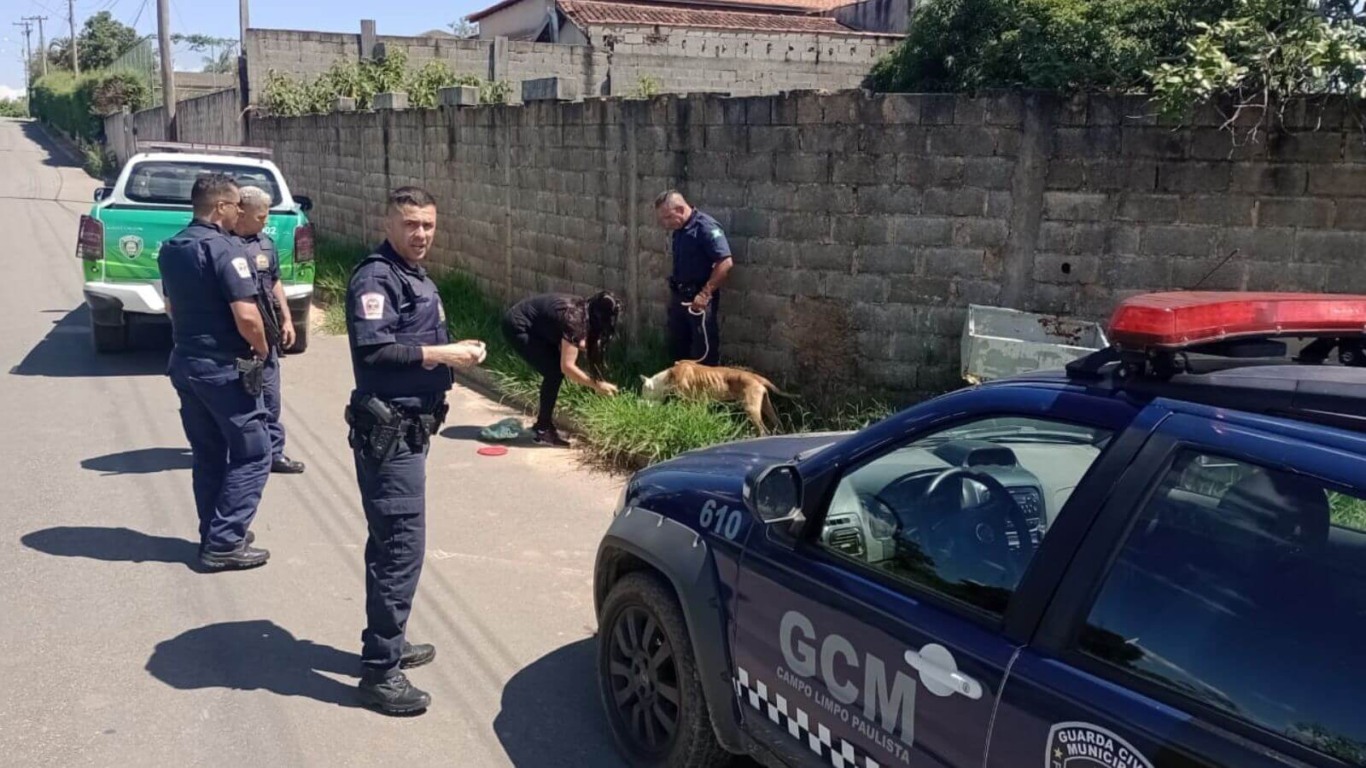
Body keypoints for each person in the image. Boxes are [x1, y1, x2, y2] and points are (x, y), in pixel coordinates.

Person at [345, 186, 486, 715]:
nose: (420, 233)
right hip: (390, 434)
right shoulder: (375, 277)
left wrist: (452, 353)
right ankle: (380, 672)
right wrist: (439, 354)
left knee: (391, 543)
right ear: (388, 222)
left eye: (428, 224)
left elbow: (413, 338)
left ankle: (390, 640)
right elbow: (375, 350)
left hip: (411, 430)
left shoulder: (412, 275)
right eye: (410, 224)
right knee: (400, 546)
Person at [158, 174, 273, 571]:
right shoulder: (226, 250)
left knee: (208, 453)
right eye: (236, 204)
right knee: (255, 453)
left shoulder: (172, 248)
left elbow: (170, 307)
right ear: (221, 207)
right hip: (223, 368)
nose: (240, 211)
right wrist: (262, 350)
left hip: (186, 362)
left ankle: (217, 529)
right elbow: (247, 316)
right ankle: (224, 542)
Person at [232, 185, 305, 475]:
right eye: (261, 216)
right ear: (241, 212)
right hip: (238, 337)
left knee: (271, 398)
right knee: (242, 399)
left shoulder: (266, 244)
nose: (266, 220)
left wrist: (287, 319)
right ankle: (242, 453)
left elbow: (274, 281)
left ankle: (274, 453)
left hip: (268, 333)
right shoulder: (224, 246)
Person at [502, 292, 621, 447]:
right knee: (554, 371)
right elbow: (567, 367)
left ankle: (543, 426)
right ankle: (543, 430)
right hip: (518, 325)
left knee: (555, 367)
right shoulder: (574, 321)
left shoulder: (584, 309)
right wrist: (596, 385)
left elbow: (577, 341)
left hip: (534, 324)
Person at [654, 190, 734, 366]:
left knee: (703, 353)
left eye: (667, 217)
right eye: (662, 219)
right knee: (678, 348)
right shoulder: (680, 229)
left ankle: (706, 392)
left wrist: (705, 294)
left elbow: (725, 262)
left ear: (681, 210)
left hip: (699, 300)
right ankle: (680, 391)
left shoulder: (705, 227)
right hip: (680, 297)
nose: (665, 224)